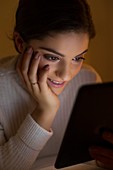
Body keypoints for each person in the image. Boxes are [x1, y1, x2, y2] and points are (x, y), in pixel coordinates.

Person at [0, 0, 113, 169]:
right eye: (52, 57)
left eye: (77, 58)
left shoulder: (88, 79)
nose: (66, 75)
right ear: (20, 43)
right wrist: (46, 109)